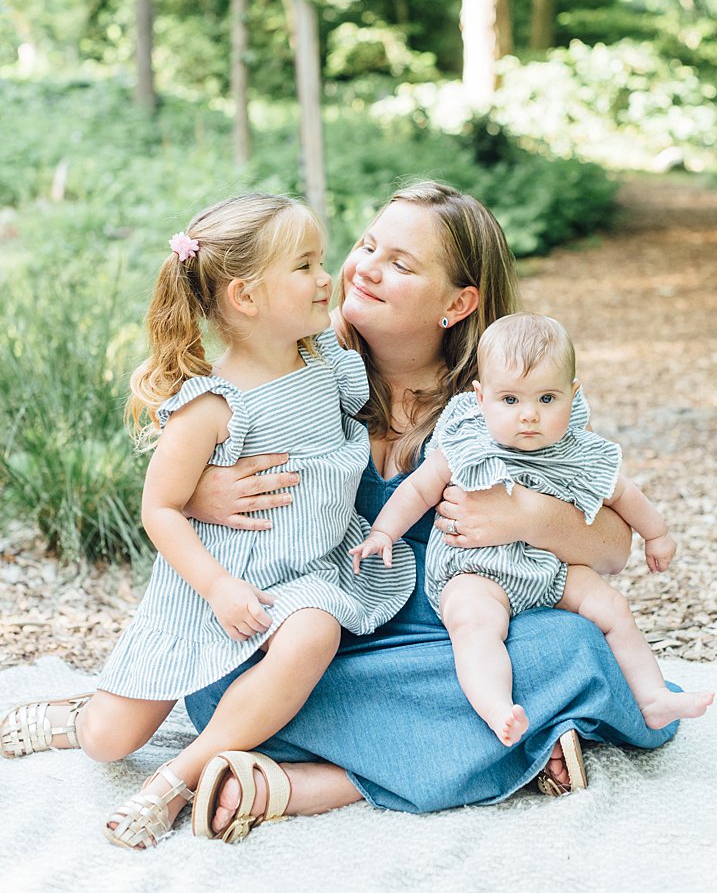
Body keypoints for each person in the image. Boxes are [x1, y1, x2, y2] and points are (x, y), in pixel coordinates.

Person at [2, 182, 676, 842]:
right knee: (273, 661)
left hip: (437, 631)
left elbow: (615, 548)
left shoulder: (503, 398)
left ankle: (305, 780)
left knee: (570, 650)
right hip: (307, 629)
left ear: (458, 302)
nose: (363, 268)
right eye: (366, 244)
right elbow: (178, 466)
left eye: (401, 264)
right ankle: (482, 754)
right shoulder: (299, 350)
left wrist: (527, 518)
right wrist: (206, 491)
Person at [0, 194, 416, 849]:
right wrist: (219, 588)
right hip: (214, 584)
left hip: (305, 573)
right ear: (246, 297)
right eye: (305, 265)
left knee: (315, 633)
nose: (324, 276)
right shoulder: (214, 403)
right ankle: (75, 715)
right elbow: (159, 507)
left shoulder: (327, 359)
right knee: (111, 741)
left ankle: (178, 775)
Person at [351, 312, 712, 746]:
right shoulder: (467, 438)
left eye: (546, 399)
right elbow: (417, 491)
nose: (529, 416)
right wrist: (384, 533)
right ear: (481, 397)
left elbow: (623, 494)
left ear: (572, 395)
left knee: (612, 607)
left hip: (550, 569)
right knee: (473, 623)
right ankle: (496, 705)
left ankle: (653, 697)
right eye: (510, 401)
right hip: (475, 572)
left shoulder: (575, 448)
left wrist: (657, 535)